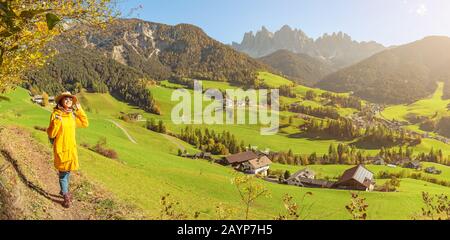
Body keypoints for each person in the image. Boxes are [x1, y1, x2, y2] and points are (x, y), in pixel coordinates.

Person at [47, 91, 89, 208]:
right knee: (63, 173)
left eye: (70, 99)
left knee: (67, 171)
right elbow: (51, 133)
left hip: (71, 148)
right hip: (61, 148)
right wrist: (56, 121)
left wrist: (79, 110)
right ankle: (66, 196)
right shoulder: (56, 114)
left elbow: (85, 123)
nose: (68, 101)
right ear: (61, 101)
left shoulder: (71, 115)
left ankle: (63, 190)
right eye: (66, 99)